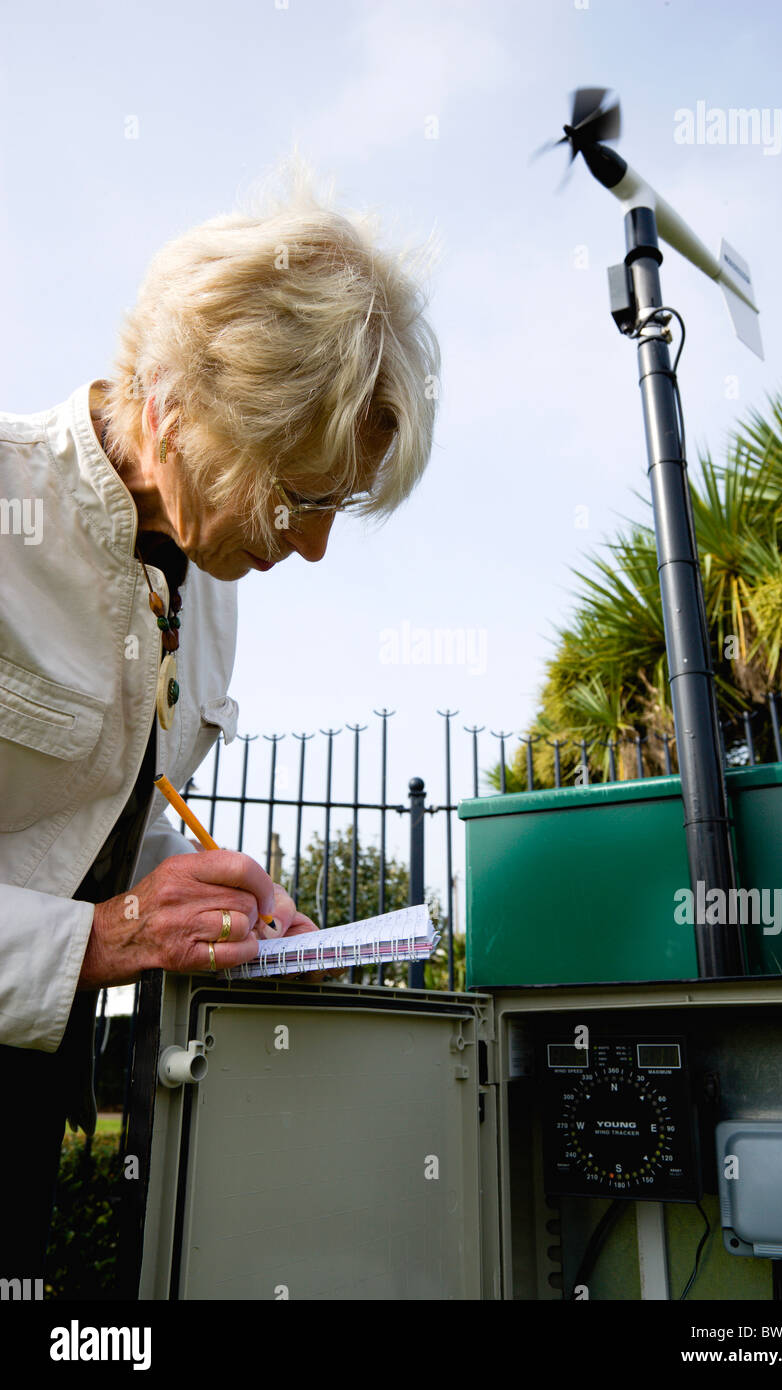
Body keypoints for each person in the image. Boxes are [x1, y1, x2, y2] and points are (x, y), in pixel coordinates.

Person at [0, 160, 440, 1280]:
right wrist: (95, 940)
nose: (312, 545)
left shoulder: (211, 585)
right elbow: (82, 911)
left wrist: (213, 900)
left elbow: (90, 819)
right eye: (295, 497)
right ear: (173, 412)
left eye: (334, 504)